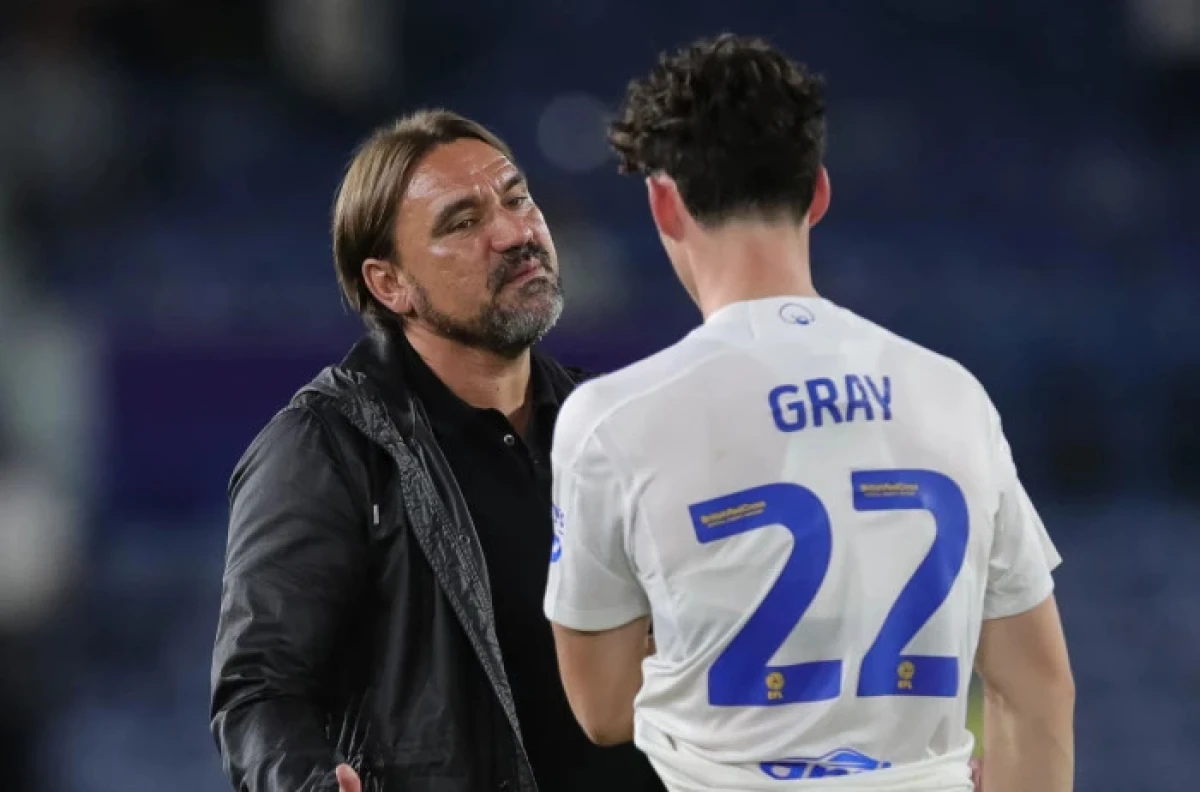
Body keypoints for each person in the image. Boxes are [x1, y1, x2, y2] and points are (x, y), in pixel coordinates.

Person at [542, 34, 1075, 792]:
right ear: (818, 193)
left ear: (664, 203)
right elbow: (1037, 689)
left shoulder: (610, 420)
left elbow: (602, 708)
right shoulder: (953, 394)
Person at [210, 109, 664, 792]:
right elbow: (258, 690)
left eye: (517, 199)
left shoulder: (612, 425)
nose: (514, 233)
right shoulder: (326, 447)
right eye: (462, 222)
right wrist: (307, 783)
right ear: (389, 284)